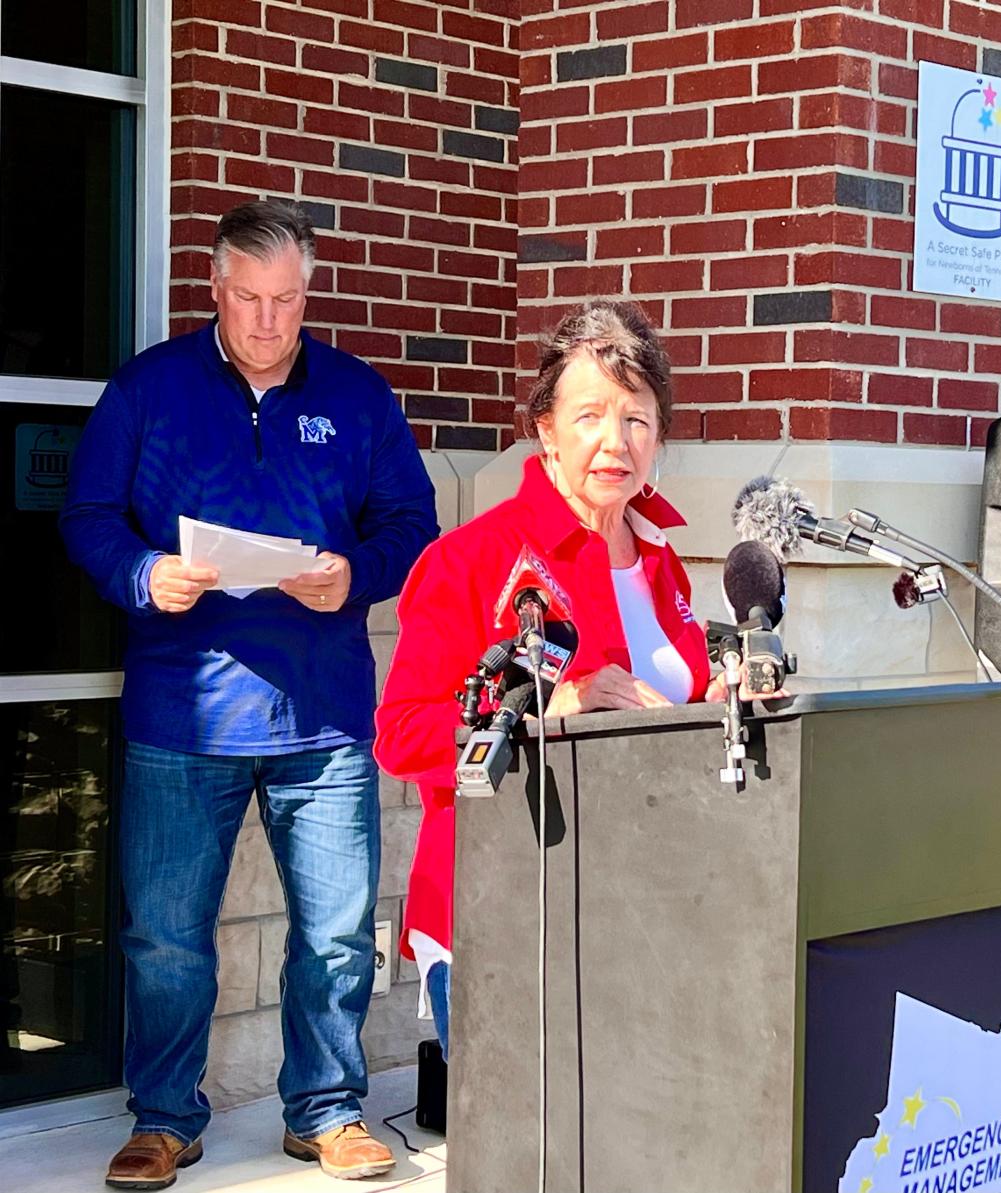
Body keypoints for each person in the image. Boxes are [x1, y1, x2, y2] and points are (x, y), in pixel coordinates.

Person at [60, 200, 439, 1188]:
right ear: (216, 288)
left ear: (307, 292)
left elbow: (410, 519)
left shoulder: (358, 395)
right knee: (166, 937)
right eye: (250, 298)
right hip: (183, 713)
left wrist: (349, 574)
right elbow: (90, 513)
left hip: (324, 718)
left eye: (288, 299)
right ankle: (165, 1118)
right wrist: (146, 575)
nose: (270, 320)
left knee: (338, 932)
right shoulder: (149, 389)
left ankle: (327, 1110)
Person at [374, 299, 742, 1058]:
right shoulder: (469, 561)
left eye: (637, 419)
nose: (617, 442)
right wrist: (543, 710)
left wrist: (724, 696)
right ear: (544, 427)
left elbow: (669, 698)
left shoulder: (661, 561)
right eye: (591, 416)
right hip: (506, 911)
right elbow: (403, 733)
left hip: (644, 908)